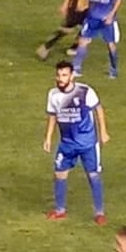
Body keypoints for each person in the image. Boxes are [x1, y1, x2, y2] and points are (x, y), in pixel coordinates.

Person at [43, 61, 109, 224]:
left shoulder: (85, 91)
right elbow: (52, 116)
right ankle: (60, 210)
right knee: (59, 173)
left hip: (87, 143)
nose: (60, 78)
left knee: (93, 175)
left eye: (64, 75)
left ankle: (99, 213)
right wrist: (48, 137)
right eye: (58, 75)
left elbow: (98, 110)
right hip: (66, 144)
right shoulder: (53, 95)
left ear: (71, 76)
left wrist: (103, 132)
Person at [73, 0, 124, 79]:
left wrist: (111, 15)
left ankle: (114, 70)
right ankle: (76, 68)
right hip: (92, 17)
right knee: (83, 40)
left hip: (107, 19)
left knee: (110, 44)